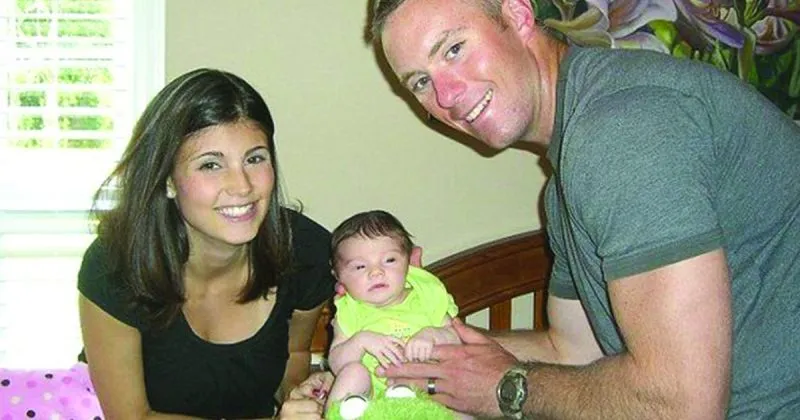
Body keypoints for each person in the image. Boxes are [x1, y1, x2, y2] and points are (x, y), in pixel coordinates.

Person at [351, 0, 800, 418]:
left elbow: (685, 407)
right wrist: (402, 354)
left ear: (517, 14)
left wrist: (505, 387)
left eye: (454, 49)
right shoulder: (566, 182)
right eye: (421, 82)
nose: (446, 96)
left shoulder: (621, 132)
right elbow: (571, 350)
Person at [77, 68, 336, 419]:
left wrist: (299, 397)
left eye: (255, 159)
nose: (242, 186)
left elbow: (295, 354)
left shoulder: (306, 251)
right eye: (211, 165)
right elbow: (131, 417)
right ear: (168, 180)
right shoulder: (114, 267)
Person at [325, 210, 460, 413]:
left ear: (408, 262)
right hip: (373, 403)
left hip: (431, 397)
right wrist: (360, 341)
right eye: (360, 267)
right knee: (353, 372)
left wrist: (432, 334)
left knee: (462, 394)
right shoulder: (350, 312)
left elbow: (457, 340)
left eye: (389, 260)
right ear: (338, 276)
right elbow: (337, 364)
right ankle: (344, 414)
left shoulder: (426, 297)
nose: (376, 272)